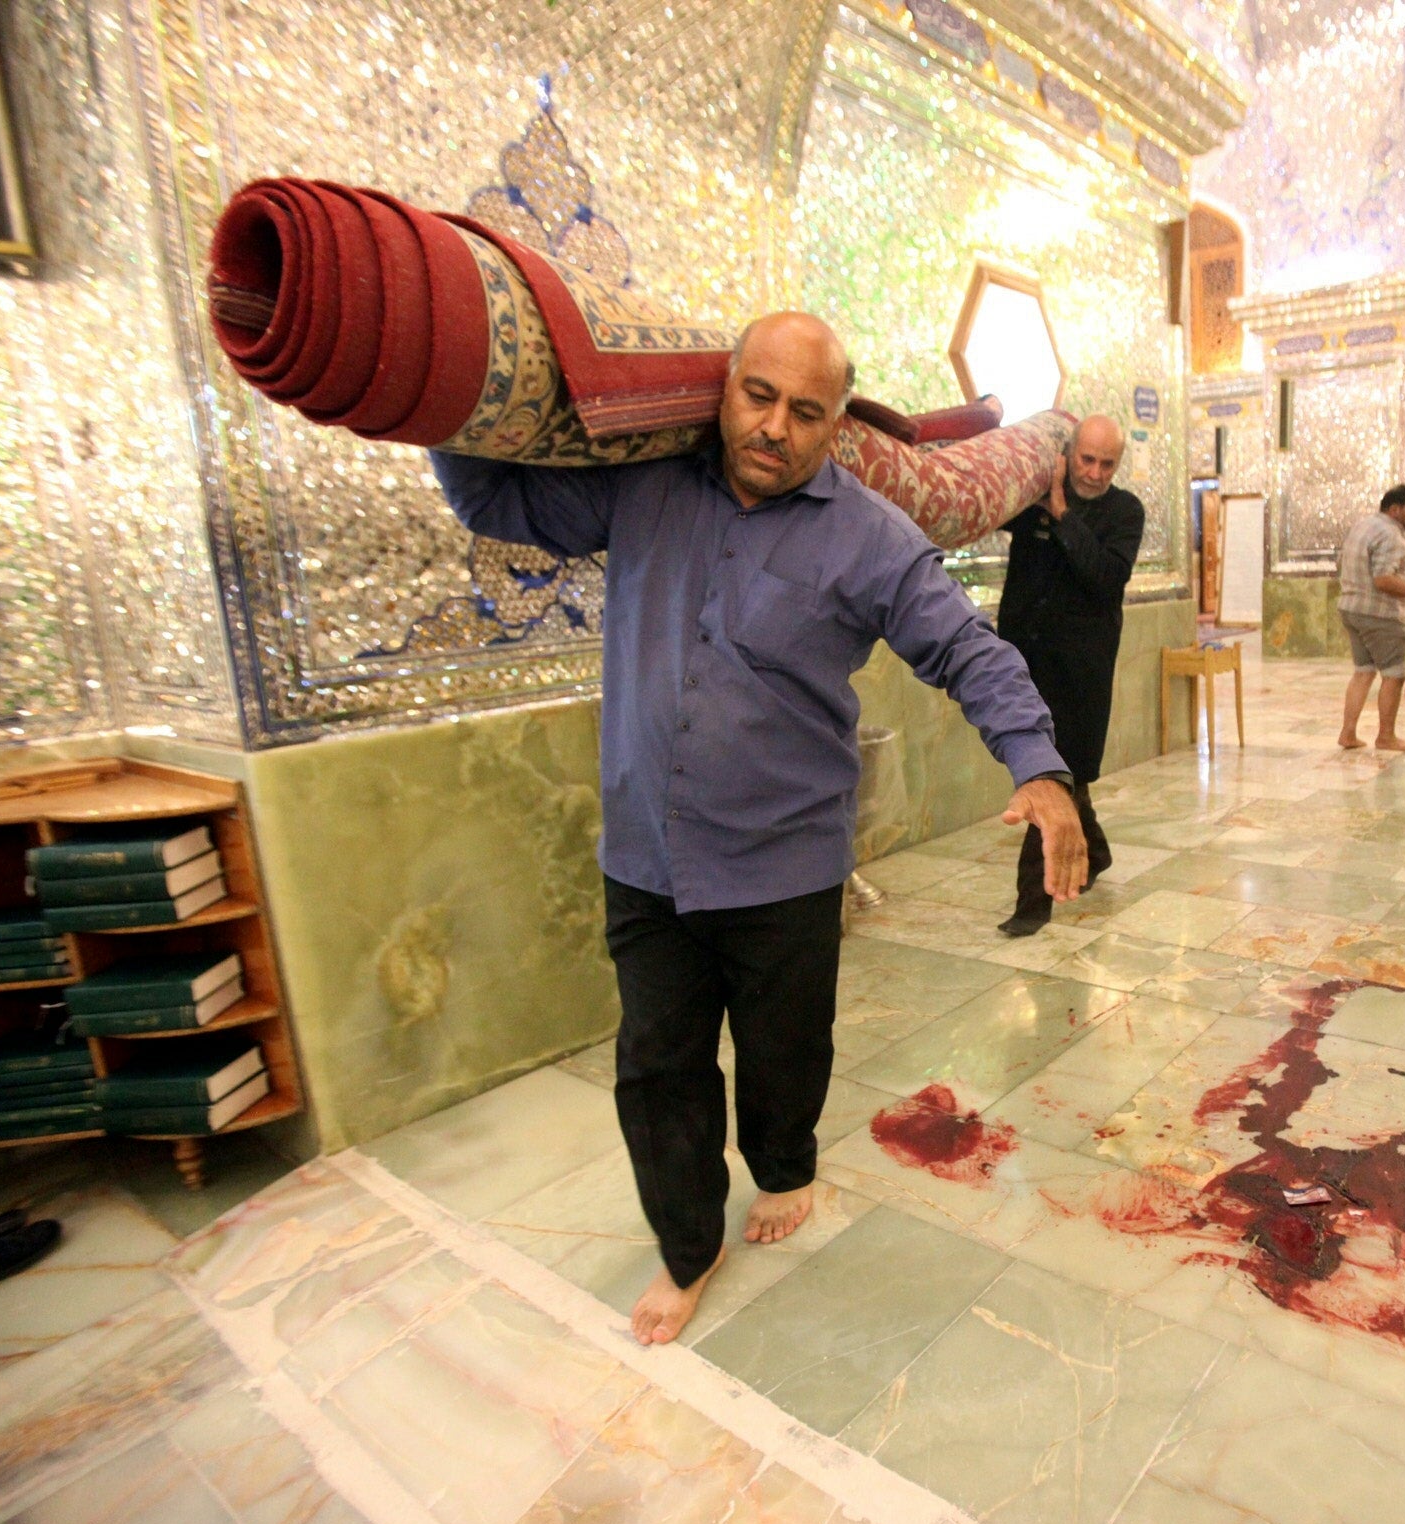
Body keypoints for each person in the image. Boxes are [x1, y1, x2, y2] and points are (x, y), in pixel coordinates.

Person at [430, 313, 1088, 1346]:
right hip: (648, 857)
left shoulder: (869, 538)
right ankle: (689, 1246)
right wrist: (441, 387)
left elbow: (969, 649)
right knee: (658, 1066)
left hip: (783, 869)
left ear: (836, 427)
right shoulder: (646, 487)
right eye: (760, 396)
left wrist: (1039, 768)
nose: (776, 427)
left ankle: (783, 1166)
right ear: (727, 387)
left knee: (783, 1054)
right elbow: (498, 495)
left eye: (807, 412)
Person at [994, 416, 1147, 937]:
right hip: (1025, 666)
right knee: (1069, 774)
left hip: (1081, 671)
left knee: (1053, 776)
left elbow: (1106, 578)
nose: (1095, 472)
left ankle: (1031, 906)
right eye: (1086, 459)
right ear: (1068, 453)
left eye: (1107, 463)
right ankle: (1096, 851)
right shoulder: (1031, 499)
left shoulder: (1125, 511)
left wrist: (1061, 513)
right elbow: (986, 506)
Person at [1335, 484, 1405, 753]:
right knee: (1394, 674)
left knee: (1363, 671)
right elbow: (1384, 579)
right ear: (1395, 509)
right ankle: (1386, 736)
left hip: (1351, 607)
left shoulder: (1363, 526)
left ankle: (1348, 733)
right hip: (1379, 613)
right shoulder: (1392, 536)